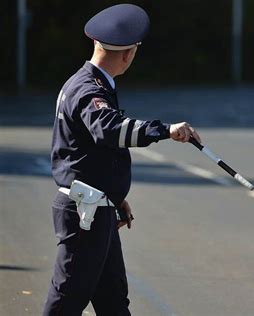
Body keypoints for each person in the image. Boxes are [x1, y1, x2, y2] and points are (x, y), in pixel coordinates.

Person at [43, 4, 201, 315]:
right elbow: (111, 131)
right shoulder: (89, 89)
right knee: (65, 302)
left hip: (97, 206)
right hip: (84, 213)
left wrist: (114, 196)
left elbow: (93, 149)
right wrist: (166, 131)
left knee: (113, 300)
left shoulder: (91, 83)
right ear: (128, 55)